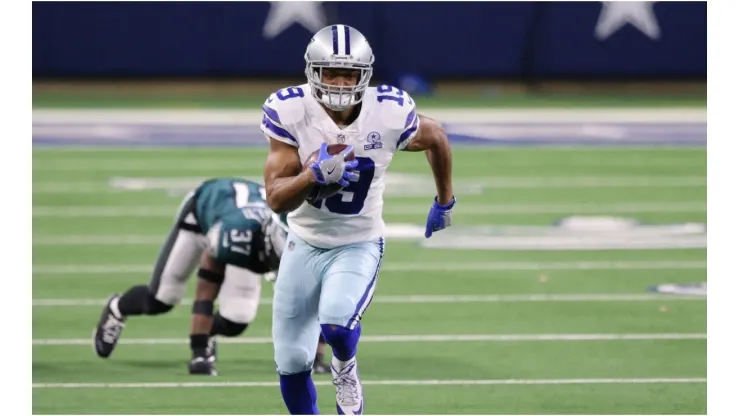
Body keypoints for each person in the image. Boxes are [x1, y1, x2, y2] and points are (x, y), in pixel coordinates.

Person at [261, 24, 456, 415]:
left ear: (363, 76)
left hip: (358, 241)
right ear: (312, 72)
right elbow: (276, 200)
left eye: (347, 73)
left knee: (335, 324)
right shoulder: (290, 111)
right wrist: (310, 176)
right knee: (291, 362)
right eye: (329, 72)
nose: (337, 82)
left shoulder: (387, 111)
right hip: (304, 241)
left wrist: (444, 201)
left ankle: (345, 367)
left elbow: (435, 136)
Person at [91, 177, 331, 375]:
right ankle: (117, 308)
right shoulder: (237, 237)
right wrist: (198, 353)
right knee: (163, 297)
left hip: (245, 226)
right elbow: (207, 285)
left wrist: (316, 358)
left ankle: (209, 334)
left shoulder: (299, 241)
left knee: (237, 318)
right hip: (203, 214)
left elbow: (314, 300)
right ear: (272, 241)